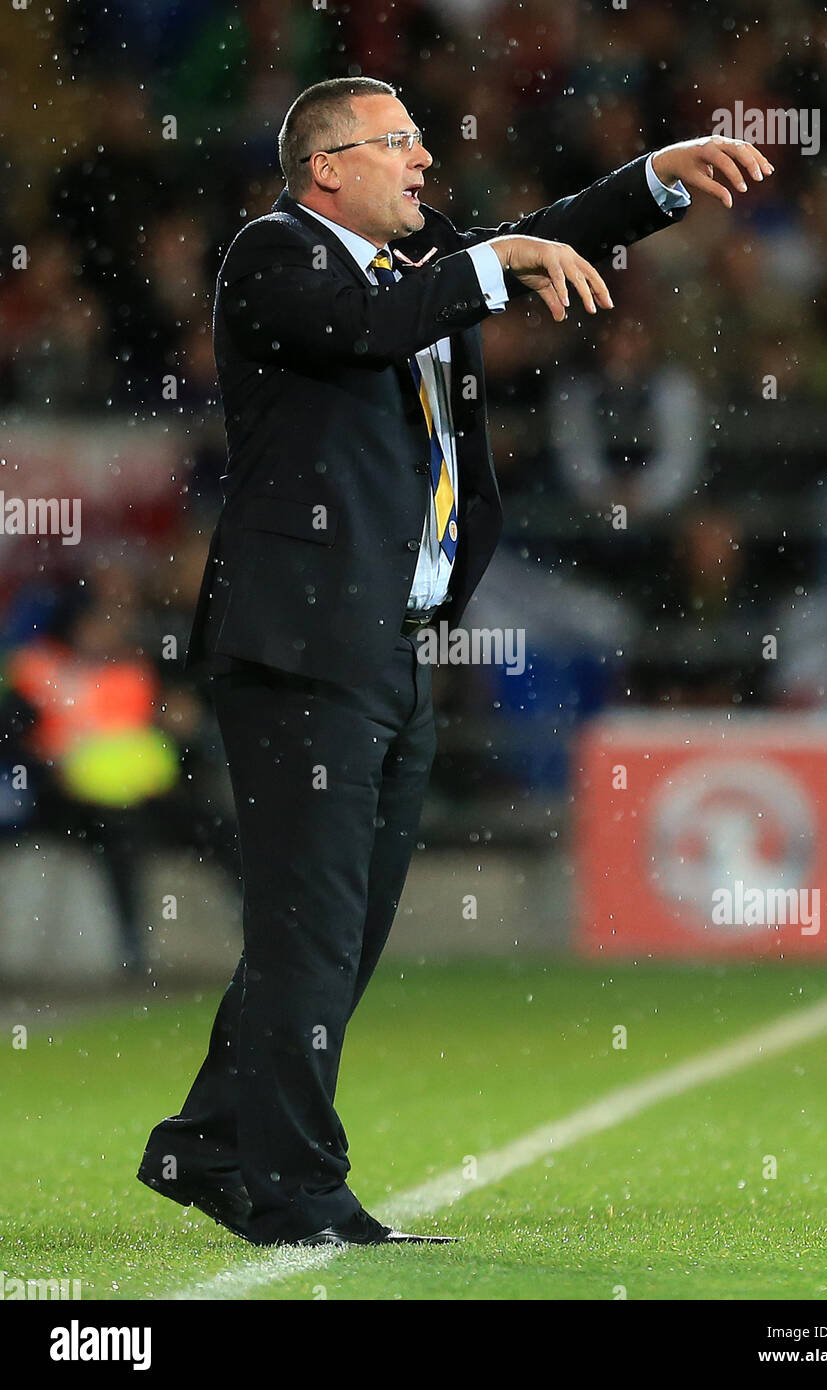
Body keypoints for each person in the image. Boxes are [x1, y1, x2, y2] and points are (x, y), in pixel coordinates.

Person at [138, 76, 773, 1247]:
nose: (426, 161)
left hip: (391, 645)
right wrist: (499, 260)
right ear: (327, 168)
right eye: (399, 143)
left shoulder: (413, 263)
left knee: (345, 926)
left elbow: (532, 244)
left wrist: (652, 183)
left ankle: (213, 1141)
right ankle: (298, 1188)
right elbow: (376, 323)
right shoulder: (276, 258)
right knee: (311, 926)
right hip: (303, 643)